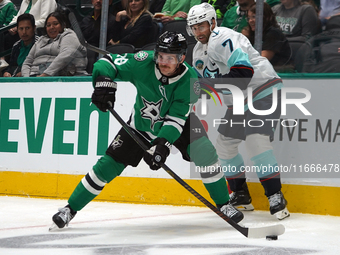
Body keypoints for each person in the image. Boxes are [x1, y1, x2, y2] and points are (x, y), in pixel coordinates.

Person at [49, 31, 244, 230]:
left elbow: (176, 119)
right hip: (141, 126)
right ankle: (69, 209)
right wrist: (104, 82)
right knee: (107, 165)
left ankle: (224, 205)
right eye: (160, 56)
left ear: (182, 58)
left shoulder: (191, 81)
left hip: (180, 124)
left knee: (206, 153)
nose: (163, 62)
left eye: (170, 58)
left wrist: (161, 146)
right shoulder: (143, 62)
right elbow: (107, 61)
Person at [187, 3, 290, 220]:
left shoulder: (223, 38)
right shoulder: (198, 52)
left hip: (263, 89)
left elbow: (243, 74)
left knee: (256, 139)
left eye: (202, 26)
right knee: (224, 146)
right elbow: (206, 86)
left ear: (213, 22)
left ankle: (275, 195)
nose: (198, 32)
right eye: (194, 28)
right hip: (240, 99)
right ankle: (240, 194)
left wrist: (206, 84)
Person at [21, 11, 87, 77]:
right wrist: (27, 78)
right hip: (35, 76)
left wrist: (45, 75)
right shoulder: (40, 40)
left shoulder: (69, 35)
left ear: (63, 25)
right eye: (48, 25)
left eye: (55, 24)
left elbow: (65, 56)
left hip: (61, 76)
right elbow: (27, 62)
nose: (52, 27)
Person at [242, 3, 292, 71]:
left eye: (254, 17)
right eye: (249, 18)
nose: (250, 21)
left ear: (266, 17)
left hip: (279, 73)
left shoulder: (273, 33)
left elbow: (262, 59)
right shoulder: (251, 33)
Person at [80, 0, 116, 73]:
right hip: (84, 54)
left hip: (102, 57)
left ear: (109, 2)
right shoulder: (86, 19)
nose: (98, 1)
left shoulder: (112, 20)